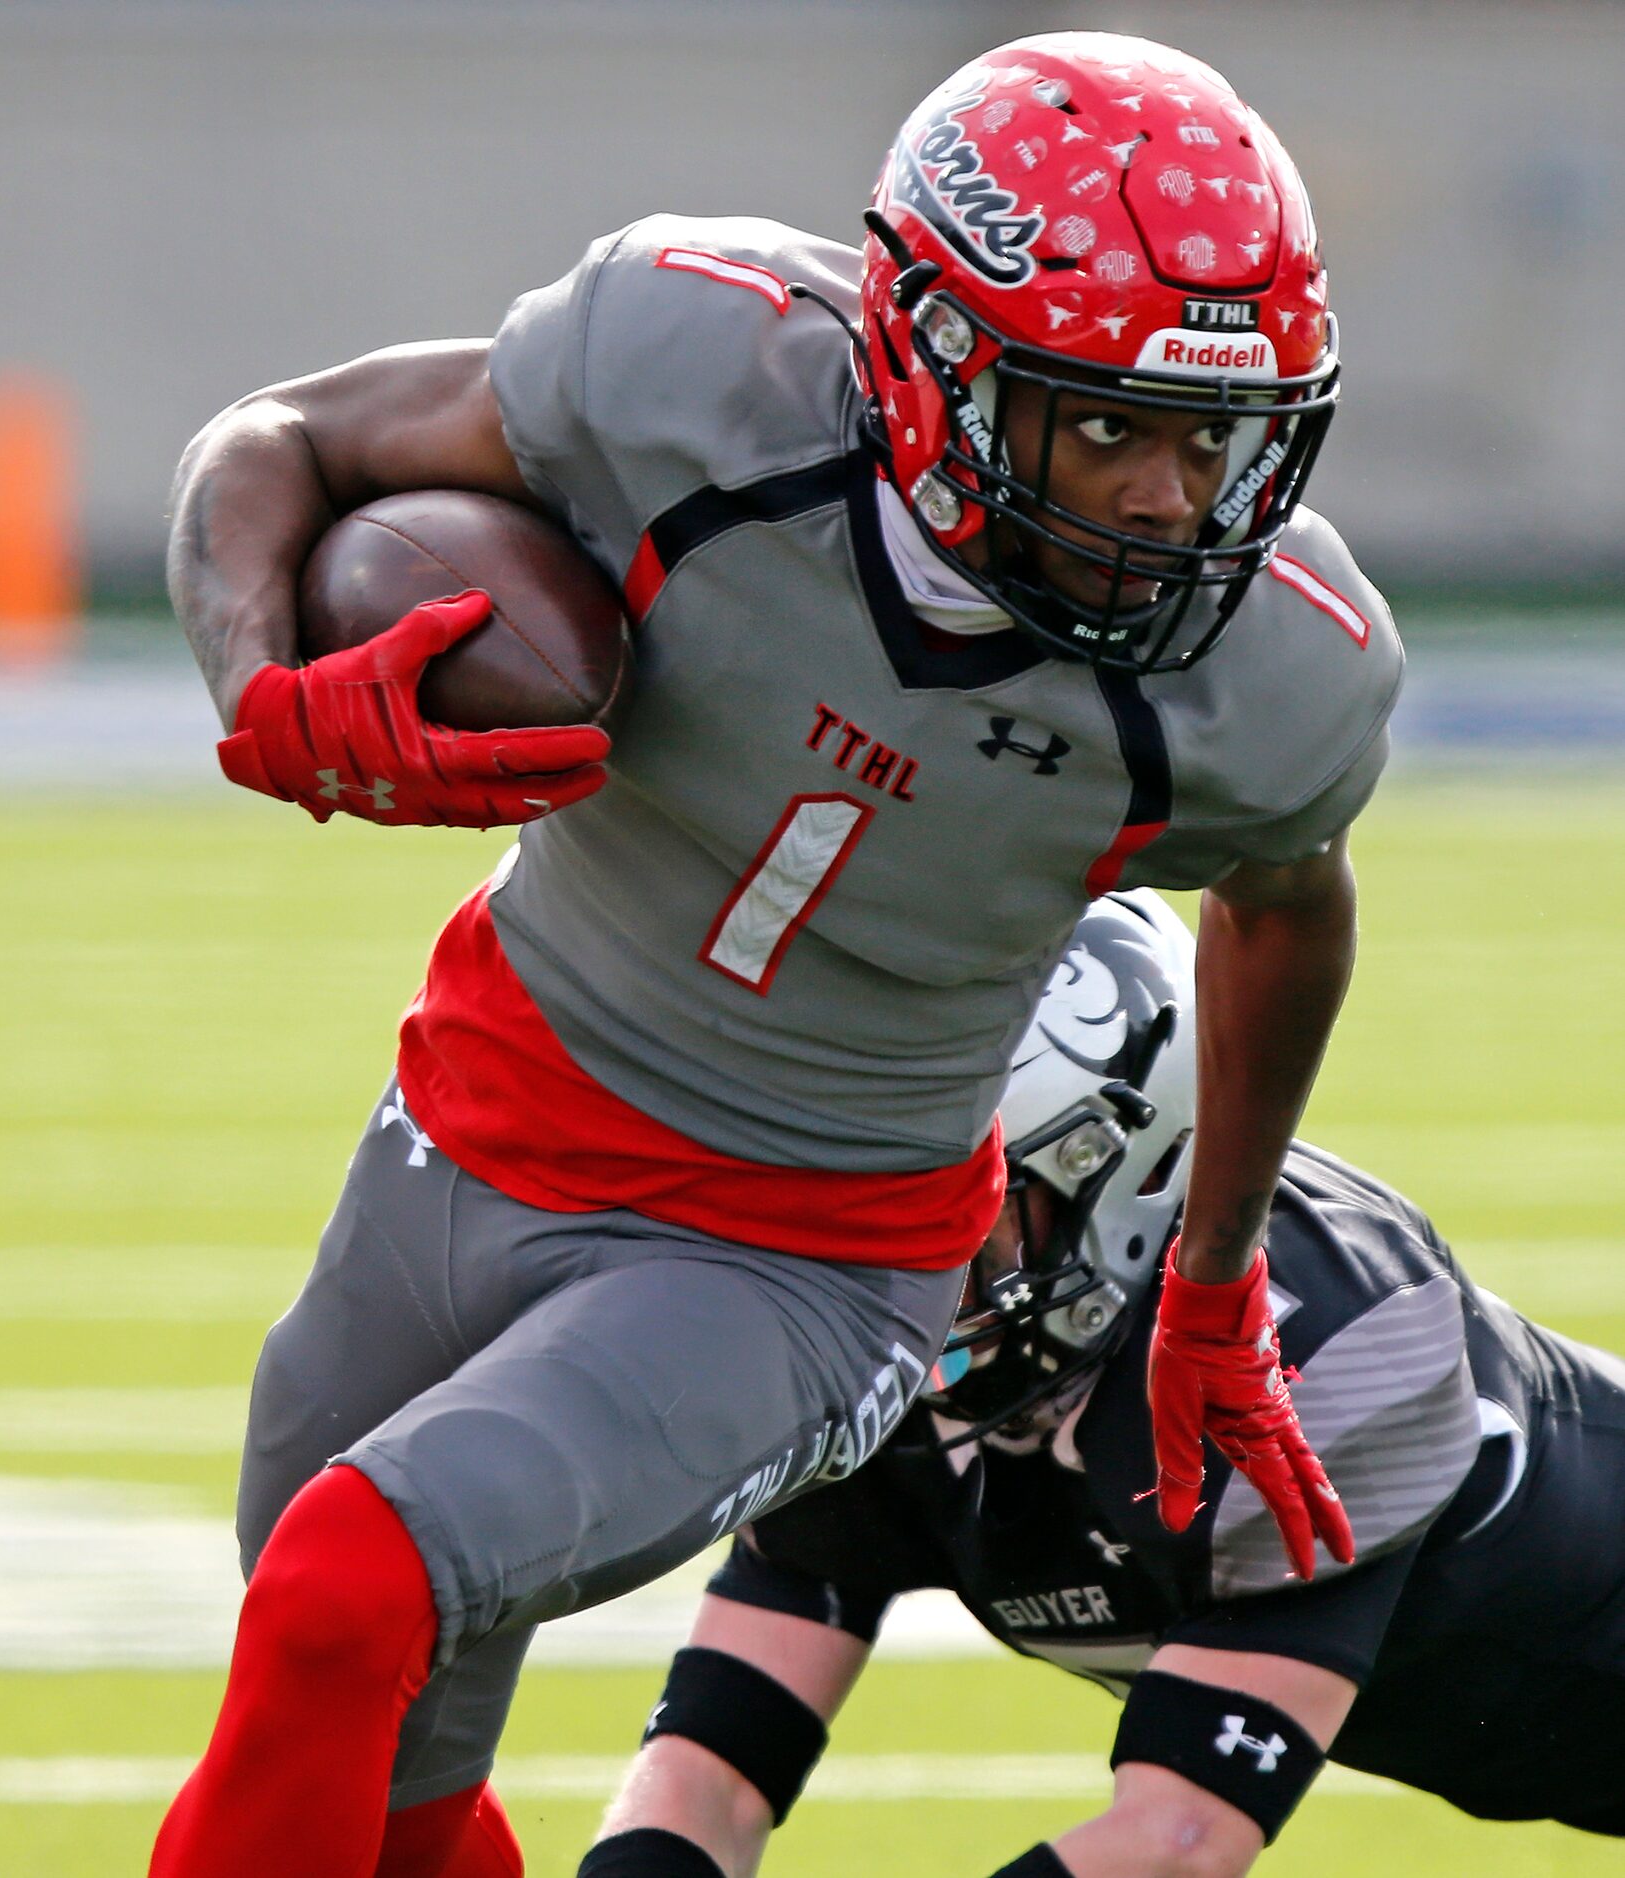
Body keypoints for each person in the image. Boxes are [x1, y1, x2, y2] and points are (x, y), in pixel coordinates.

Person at [152, 31, 1403, 1878]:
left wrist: (1210, 1278)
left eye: (1211, 436)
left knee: (351, 1586)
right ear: (930, 363)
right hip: (472, 1108)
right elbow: (283, 439)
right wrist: (262, 686)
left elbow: (1288, 906)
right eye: (1112, 423)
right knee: (376, 1732)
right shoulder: (693, 368)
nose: (1167, 501)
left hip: (800, 1253)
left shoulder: (1275, 672)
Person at [594, 890, 1625, 1878]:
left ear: (1120, 1168)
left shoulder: (1317, 1343)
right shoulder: (896, 1354)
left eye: (943, 1201)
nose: (876, 1255)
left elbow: (1172, 1845)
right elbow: (711, 1768)